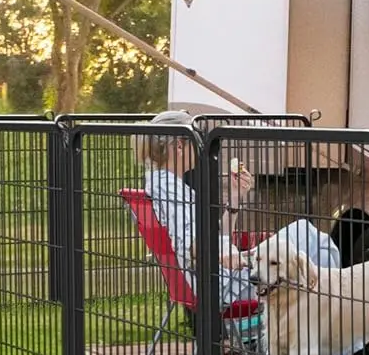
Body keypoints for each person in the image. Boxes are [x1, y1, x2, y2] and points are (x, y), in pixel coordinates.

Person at [134, 110, 340, 308]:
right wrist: (224, 253)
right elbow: (189, 243)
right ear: (179, 146)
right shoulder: (168, 187)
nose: (200, 147)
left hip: (221, 276)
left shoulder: (165, 184)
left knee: (309, 239)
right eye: (196, 141)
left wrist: (234, 198)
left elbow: (214, 236)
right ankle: (334, 327)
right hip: (222, 283)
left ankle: (324, 326)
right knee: (311, 237)